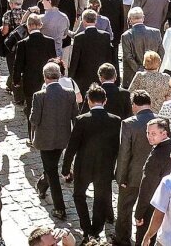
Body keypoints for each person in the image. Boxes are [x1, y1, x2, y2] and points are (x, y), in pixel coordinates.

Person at [62, 85, 122, 242]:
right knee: (101, 198)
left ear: (88, 101)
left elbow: (72, 146)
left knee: (78, 195)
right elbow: (118, 147)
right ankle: (96, 229)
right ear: (105, 101)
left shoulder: (82, 120)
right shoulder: (115, 121)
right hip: (105, 166)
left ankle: (86, 228)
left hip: (84, 166)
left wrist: (66, 168)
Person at [30, 62, 80, 221]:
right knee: (50, 167)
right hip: (63, 138)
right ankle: (42, 186)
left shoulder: (39, 95)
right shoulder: (70, 93)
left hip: (45, 140)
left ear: (44, 78)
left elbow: (34, 119)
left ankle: (60, 208)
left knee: (51, 171)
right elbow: (75, 117)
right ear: (59, 76)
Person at [113, 90, 156, 246]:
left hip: (132, 175)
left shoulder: (129, 123)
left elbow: (124, 153)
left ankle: (122, 239)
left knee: (124, 208)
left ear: (134, 105)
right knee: (149, 209)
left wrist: (121, 177)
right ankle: (145, 240)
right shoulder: (163, 121)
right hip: (154, 177)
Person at [135, 118, 171, 245]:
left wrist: (139, 213)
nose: (149, 137)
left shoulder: (156, 156)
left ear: (164, 133)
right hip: (170, 204)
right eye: (148, 133)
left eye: (153, 133)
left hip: (153, 206)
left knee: (144, 240)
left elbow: (147, 187)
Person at [69, 9, 113, 95]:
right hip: (102, 75)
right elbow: (109, 57)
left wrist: (71, 77)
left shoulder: (79, 37)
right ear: (95, 20)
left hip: (82, 77)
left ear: (83, 21)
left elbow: (75, 60)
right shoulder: (105, 36)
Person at [121, 7, 165, 89]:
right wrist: (154, 67)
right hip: (153, 74)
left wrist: (140, 70)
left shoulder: (126, 35)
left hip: (132, 77)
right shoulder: (155, 32)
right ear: (143, 18)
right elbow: (161, 52)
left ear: (130, 20)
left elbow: (128, 56)